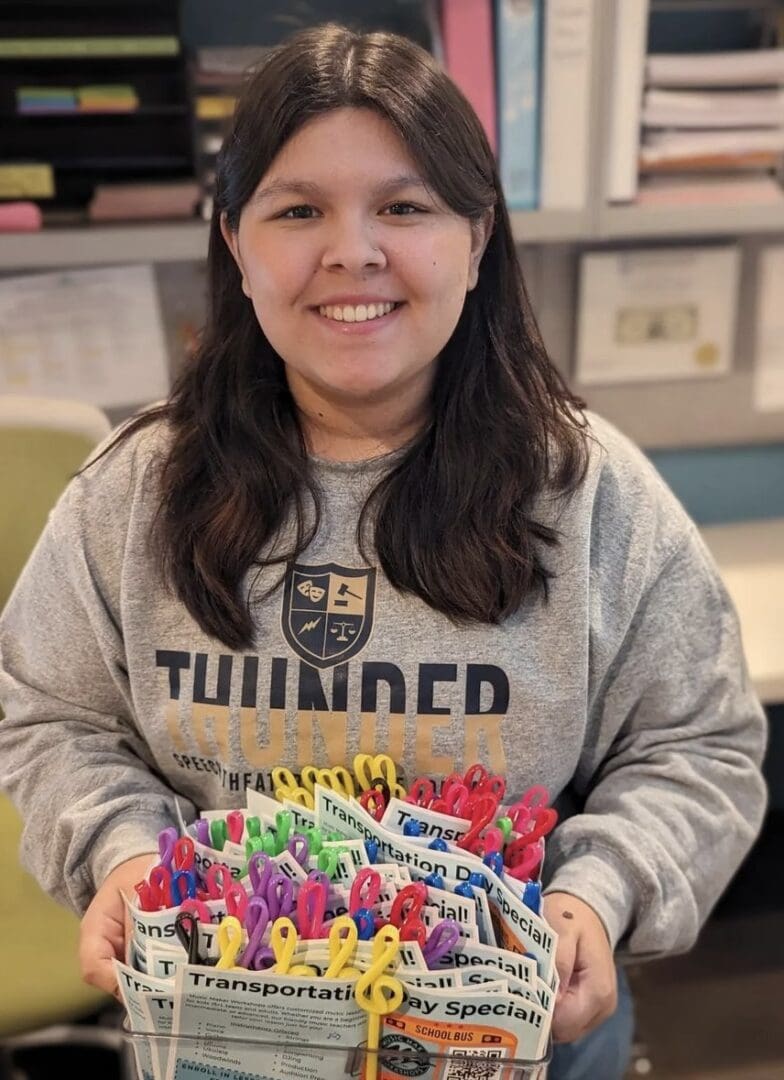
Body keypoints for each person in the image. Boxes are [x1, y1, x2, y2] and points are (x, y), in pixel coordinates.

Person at [0, 23, 767, 1080]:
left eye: (404, 208)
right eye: (298, 209)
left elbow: (698, 746)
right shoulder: (135, 493)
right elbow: (53, 715)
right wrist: (121, 855)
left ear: (477, 233)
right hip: (226, 1040)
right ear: (234, 239)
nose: (351, 252)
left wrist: (603, 891)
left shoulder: (589, 496)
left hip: (509, 1041)